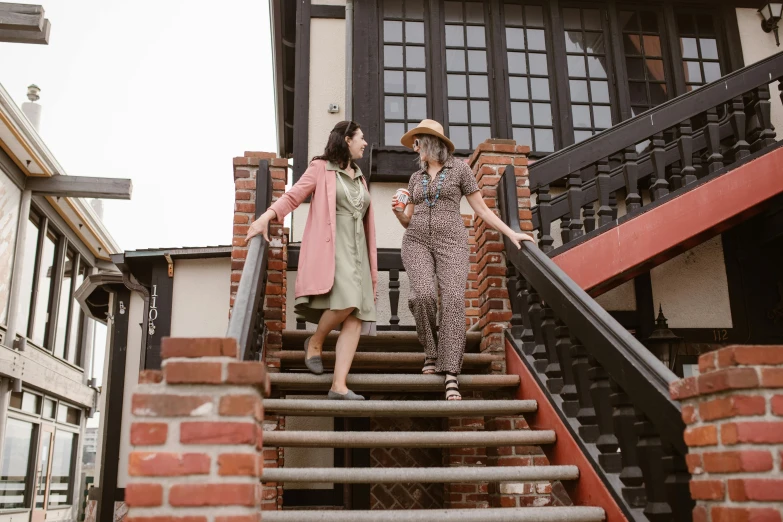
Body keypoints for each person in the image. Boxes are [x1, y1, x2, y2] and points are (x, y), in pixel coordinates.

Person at [391, 120, 534, 400]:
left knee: (455, 301)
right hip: (416, 241)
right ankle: (431, 353)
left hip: (452, 242)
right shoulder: (414, 178)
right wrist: (399, 214)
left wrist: (511, 233)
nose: (415, 149)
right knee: (422, 297)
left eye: (418, 143)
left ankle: (451, 374)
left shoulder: (460, 170)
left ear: (431, 143)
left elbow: (481, 208)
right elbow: (407, 220)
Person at [246, 121, 377, 401]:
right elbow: (294, 196)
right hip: (334, 248)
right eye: (361, 138)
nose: (365, 143)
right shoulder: (321, 168)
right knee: (347, 302)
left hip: (358, 252)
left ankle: (338, 386)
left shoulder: (359, 176)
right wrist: (266, 217)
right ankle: (315, 341)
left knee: (356, 318)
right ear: (346, 139)